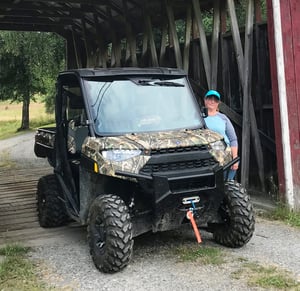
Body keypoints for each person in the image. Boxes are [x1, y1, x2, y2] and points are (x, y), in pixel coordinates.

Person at [203, 90, 238, 180]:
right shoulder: (198, 117)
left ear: (218, 103)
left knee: (226, 185)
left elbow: (233, 139)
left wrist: (235, 159)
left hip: (225, 155)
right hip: (206, 156)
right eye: (210, 98)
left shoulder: (223, 118)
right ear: (205, 100)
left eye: (215, 100)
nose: (212, 101)